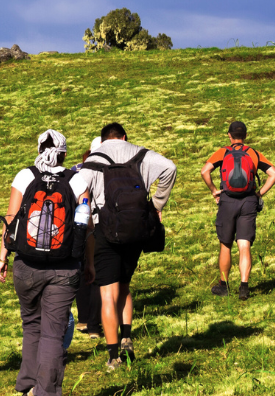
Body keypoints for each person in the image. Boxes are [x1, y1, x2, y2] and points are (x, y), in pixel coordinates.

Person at [0, 129, 95, 396]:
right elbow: (87, 225)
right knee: (53, 333)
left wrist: (3, 256)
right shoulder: (77, 181)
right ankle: (45, 392)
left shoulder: (25, 176)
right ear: (64, 153)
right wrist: (90, 264)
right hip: (65, 267)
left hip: (26, 265)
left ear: (39, 149)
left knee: (31, 324)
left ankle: (26, 383)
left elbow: (11, 217)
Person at [80, 123, 177, 371]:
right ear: (124, 137)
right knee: (124, 286)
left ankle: (113, 357)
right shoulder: (140, 154)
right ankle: (126, 339)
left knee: (107, 294)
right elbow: (170, 168)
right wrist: (156, 205)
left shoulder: (93, 160)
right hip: (135, 230)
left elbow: (77, 191)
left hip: (104, 230)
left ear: (102, 141)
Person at [200, 121, 275, 300]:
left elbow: (205, 171)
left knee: (225, 244)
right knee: (244, 244)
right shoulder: (253, 153)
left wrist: (214, 190)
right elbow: (274, 174)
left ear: (229, 135)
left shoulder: (223, 152)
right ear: (245, 135)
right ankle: (244, 286)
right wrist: (259, 193)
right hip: (249, 201)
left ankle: (224, 285)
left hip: (227, 200)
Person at [72, 148, 102, 340]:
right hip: (96, 227)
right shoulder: (100, 173)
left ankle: (83, 318)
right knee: (96, 276)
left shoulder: (73, 172)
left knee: (82, 273)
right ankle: (93, 325)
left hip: (77, 227)